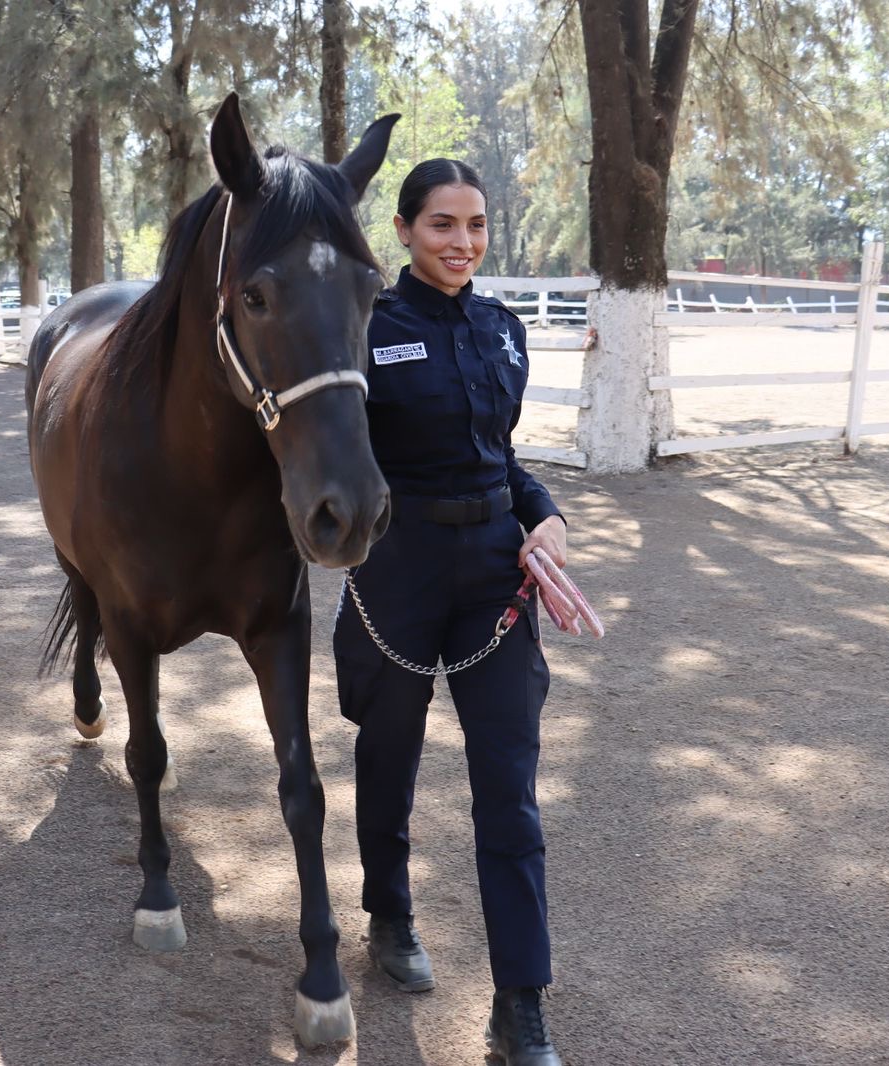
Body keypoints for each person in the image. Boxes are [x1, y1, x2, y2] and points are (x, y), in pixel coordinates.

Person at [334, 159, 568, 1066]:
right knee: (387, 755)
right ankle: (388, 914)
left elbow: (497, 454)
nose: (462, 242)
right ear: (402, 230)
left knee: (508, 789)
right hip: (399, 570)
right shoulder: (367, 329)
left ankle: (521, 1003)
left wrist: (543, 511)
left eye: (474, 225)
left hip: (494, 579)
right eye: (441, 224)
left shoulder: (503, 330)